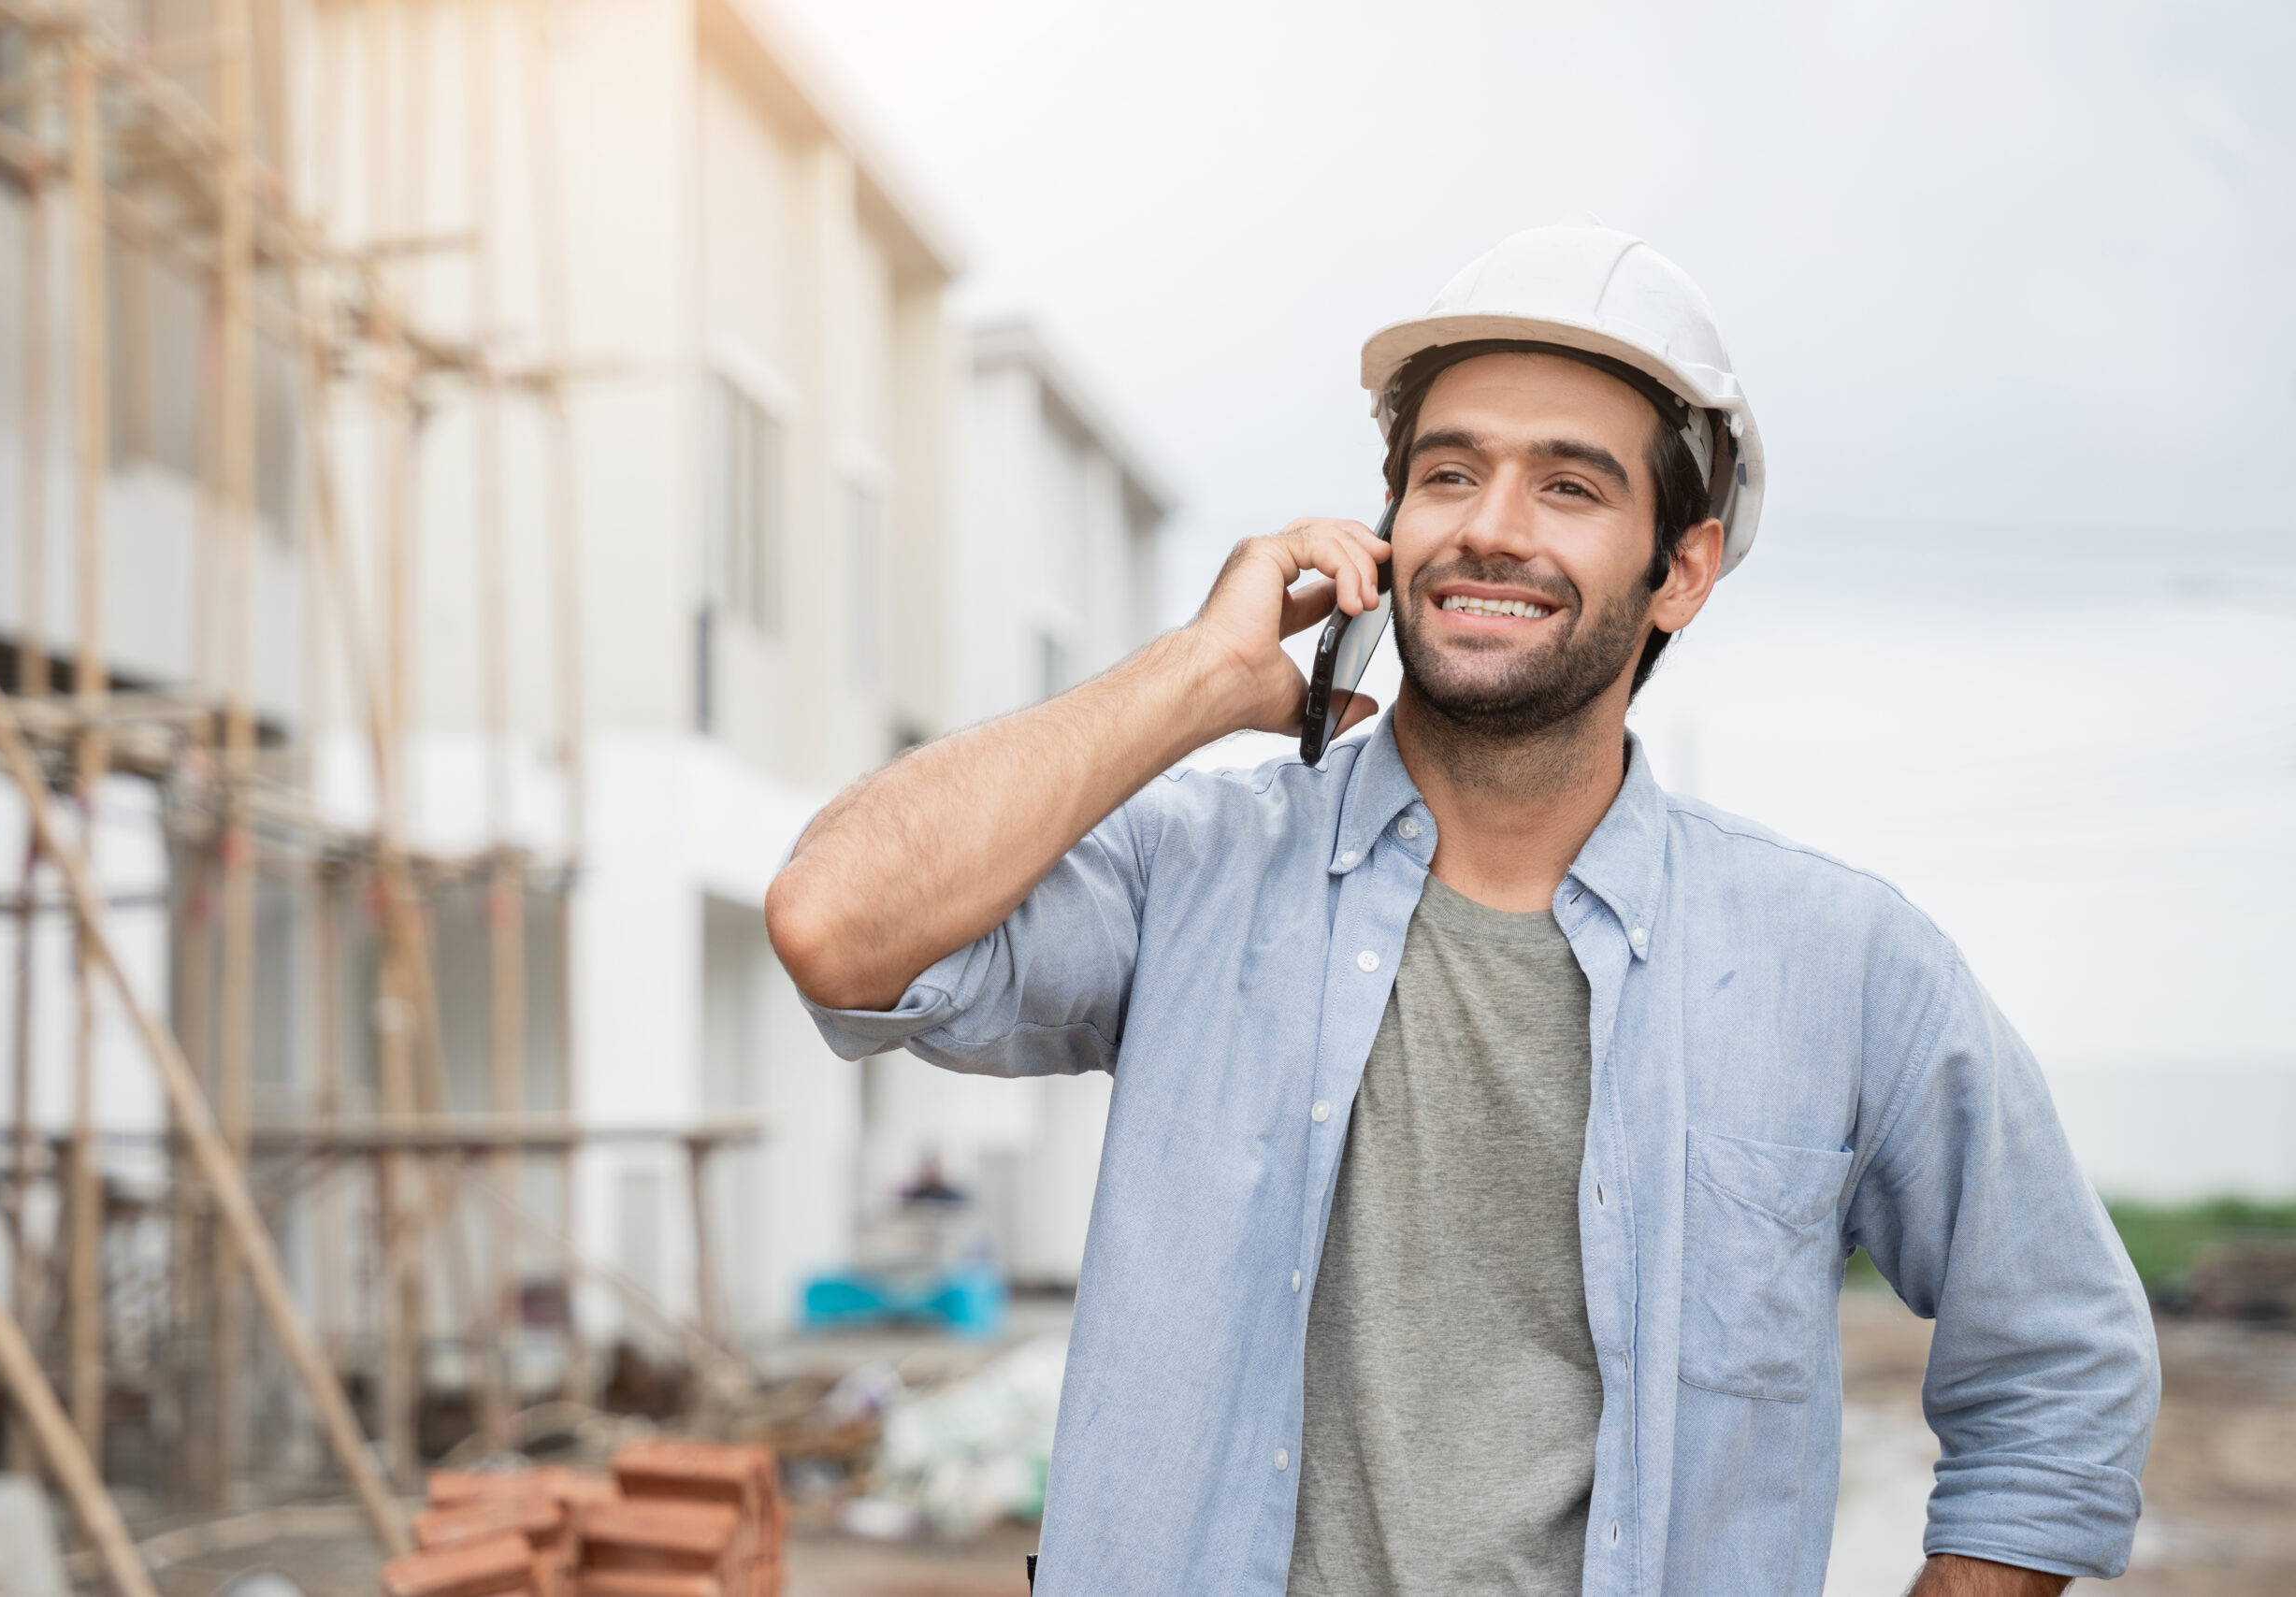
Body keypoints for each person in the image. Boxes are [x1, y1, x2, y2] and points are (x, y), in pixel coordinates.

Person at [764, 219, 2159, 1597]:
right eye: (1449, 473)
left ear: (1681, 569)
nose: (1490, 528)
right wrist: (1192, 679)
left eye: (1569, 487)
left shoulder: (1843, 966)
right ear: (1388, 526)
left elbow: (2060, 1372)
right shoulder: (1189, 875)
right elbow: (838, 925)